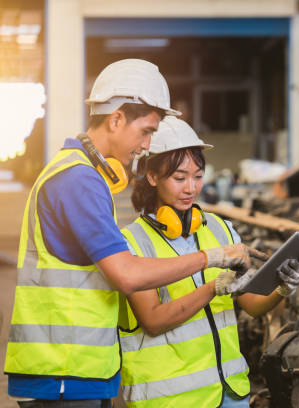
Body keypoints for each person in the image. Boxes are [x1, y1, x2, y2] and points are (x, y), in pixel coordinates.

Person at [4, 59, 264, 407]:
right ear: (116, 119)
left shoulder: (81, 177)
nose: (145, 145)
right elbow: (126, 275)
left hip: (78, 370)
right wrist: (211, 259)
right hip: (64, 371)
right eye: (145, 131)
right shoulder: (78, 180)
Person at [118, 116, 299, 407]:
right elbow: (153, 320)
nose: (191, 188)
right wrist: (213, 289)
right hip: (171, 399)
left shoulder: (219, 229)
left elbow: (252, 305)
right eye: (179, 178)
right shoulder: (131, 244)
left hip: (229, 393)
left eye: (198, 176)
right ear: (153, 177)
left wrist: (283, 287)